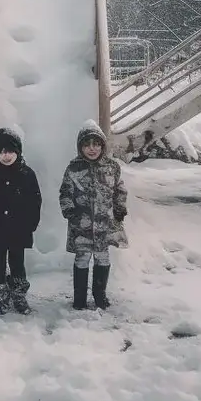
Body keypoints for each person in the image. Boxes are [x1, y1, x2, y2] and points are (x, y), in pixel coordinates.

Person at [58, 121, 128, 310]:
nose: (92, 148)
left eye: (96, 144)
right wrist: (69, 211)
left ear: (102, 146)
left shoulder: (112, 167)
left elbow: (119, 190)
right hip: (81, 224)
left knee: (102, 257)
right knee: (82, 257)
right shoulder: (74, 168)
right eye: (87, 144)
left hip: (105, 223)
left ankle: (99, 295)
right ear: (80, 147)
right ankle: (79, 298)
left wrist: (120, 208)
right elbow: (65, 193)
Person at [0, 127, 42, 315]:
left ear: (18, 152)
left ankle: (19, 296)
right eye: (1, 152)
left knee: (17, 263)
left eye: (10, 151)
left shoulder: (26, 174)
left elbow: (35, 201)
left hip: (18, 231)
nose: (6, 156)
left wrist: (30, 224)